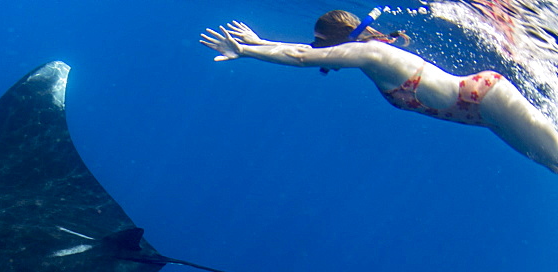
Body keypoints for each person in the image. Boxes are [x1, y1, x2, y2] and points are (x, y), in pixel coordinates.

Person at [199, 11, 558, 174]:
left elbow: (300, 56)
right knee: (551, 164)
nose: (318, 51)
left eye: (319, 44)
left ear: (331, 42)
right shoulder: (372, 59)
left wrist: (250, 49)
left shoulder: (371, 52)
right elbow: (305, 52)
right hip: (481, 111)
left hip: (485, 97)